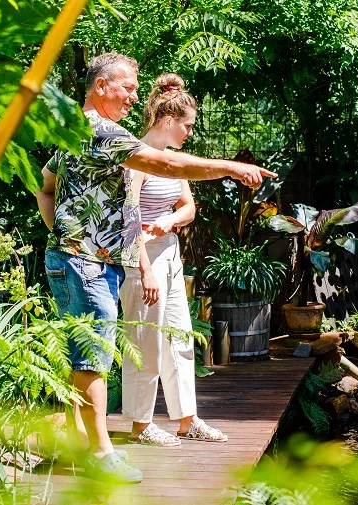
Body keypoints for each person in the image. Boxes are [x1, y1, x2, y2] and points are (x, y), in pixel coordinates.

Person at [35, 52, 275, 484]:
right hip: (86, 261)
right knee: (94, 355)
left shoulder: (72, 133)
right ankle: (102, 453)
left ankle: (79, 445)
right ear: (101, 86)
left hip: (81, 257)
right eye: (126, 86)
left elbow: (45, 184)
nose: (133, 95)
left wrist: (63, 231)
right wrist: (231, 168)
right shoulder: (102, 131)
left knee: (84, 352)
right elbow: (165, 164)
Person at [120, 73, 227, 447]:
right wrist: (145, 265)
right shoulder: (135, 157)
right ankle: (140, 424)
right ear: (168, 122)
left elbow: (189, 208)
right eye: (188, 125)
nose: (190, 133)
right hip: (140, 259)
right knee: (144, 341)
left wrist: (168, 220)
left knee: (180, 337)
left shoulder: (173, 160)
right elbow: (127, 217)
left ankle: (187, 419)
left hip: (170, 254)